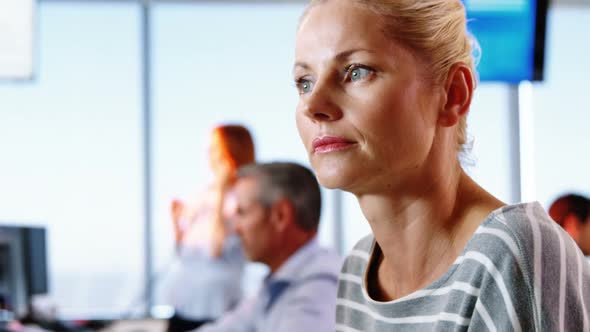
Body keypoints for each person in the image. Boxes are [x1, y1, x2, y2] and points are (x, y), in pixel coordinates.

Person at [293, 0, 590, 330]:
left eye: (357, 72)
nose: (312, 104)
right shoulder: (357, 269)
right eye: (304, 81)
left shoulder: (514, 253)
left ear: (452, 94)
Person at [197, 162, 341, 332]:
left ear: (280, 216)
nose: (236, 228)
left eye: (242, 212)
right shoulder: (278, 284)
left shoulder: (318, 290)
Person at [165, 124, 256, 332]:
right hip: (185, 304)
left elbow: (216, 249)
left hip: (218, 307)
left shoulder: (246, 198)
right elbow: (183, 252)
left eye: (216, 149)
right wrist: (175, 222)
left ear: (232, 151)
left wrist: (222, 194)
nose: (209, 155)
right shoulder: (202, 194)